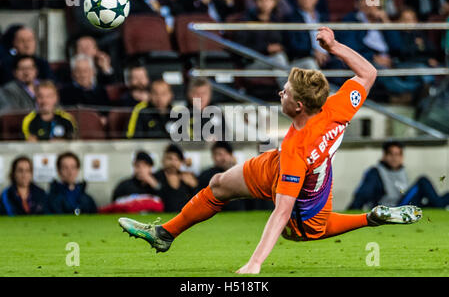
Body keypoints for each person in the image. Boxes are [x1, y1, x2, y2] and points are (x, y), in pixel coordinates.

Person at [119, 27, 422, 274]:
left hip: (307, 189)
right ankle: (164, 235)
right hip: (292, 166)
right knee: (218, 184)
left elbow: (282, 213)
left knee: (298, 232)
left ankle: (368, 219)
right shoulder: (335, 108)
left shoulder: (296, 147)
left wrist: (254, 264)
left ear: (299, 106)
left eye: (286, 92)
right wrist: (334, 46)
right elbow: (369, 73)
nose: (281, 92)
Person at [348, 141, 449, 210]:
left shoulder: (401, 170)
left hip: (404, 204)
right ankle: (439, 205)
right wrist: (352, 209)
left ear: (402, 157)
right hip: (394, 208)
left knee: (431, 203)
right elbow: (363, 193)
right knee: (422, 181)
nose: (394, 158)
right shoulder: (376, 172)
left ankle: (438, 205)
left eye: (398, 154)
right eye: (391, 154)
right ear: (384, 156)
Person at [286, 0, 331, 70]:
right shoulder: (291, 19)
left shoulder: (323, 17)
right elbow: (294, 46)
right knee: (310, 64)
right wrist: (313, 52)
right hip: (304, 59)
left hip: (327, 57)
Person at [154, 144, 198, 212]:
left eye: (177, 159)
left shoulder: (187, 177)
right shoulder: (156, 177)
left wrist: (194, 186)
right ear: (163, 160)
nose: (173, 163)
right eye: (169, 158)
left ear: (181, 162)